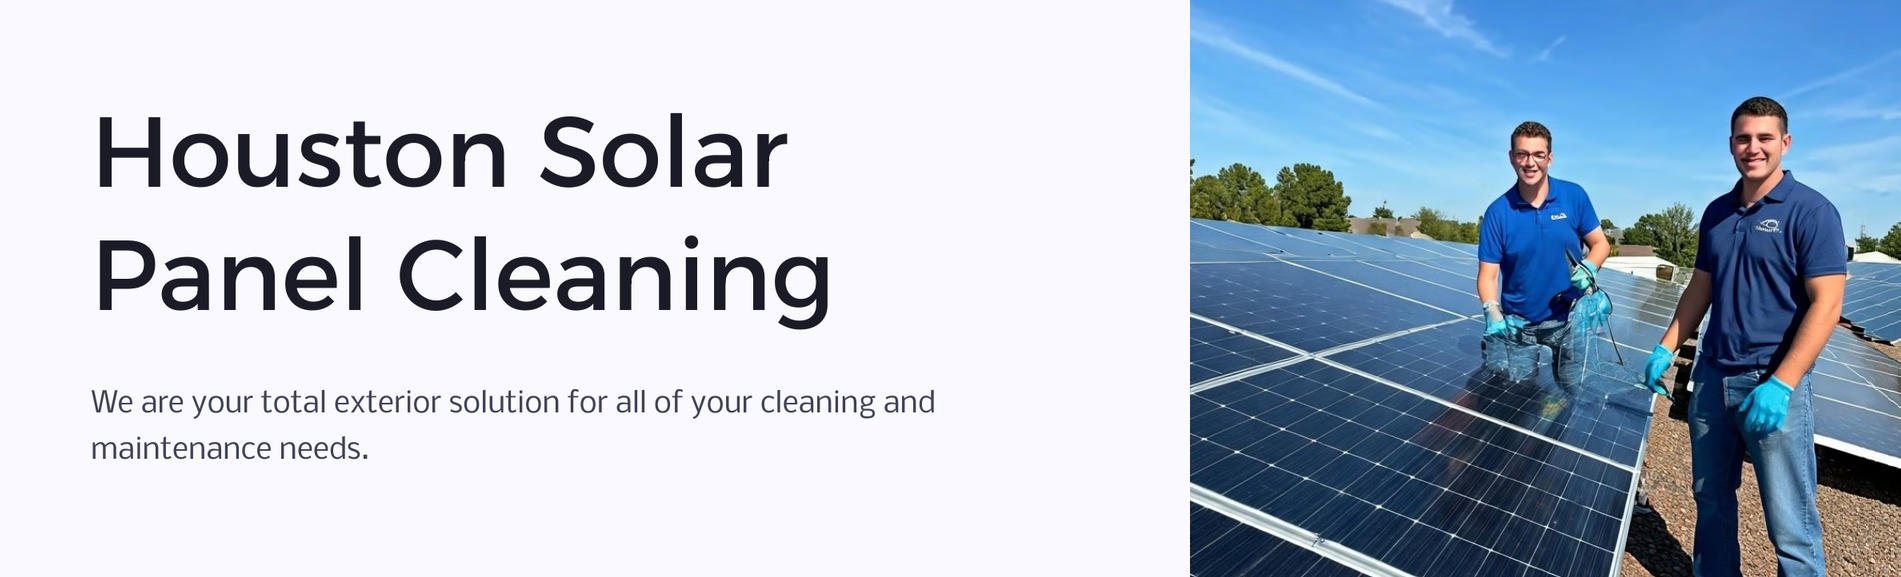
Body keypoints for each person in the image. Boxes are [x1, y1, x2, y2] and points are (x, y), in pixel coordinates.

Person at [1642, 96, 1840, 576]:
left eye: (1764, 138)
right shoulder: (1716, 213)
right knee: (1710, 498)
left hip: (1772, 384)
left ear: (1785, 143)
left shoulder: (1812, 212)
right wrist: (1668, 344)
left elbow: (1828, 303)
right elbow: (1700, 288)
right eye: (1743, 138)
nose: (1753, 147)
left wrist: (1784, 382)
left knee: (1790, 521)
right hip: (1712, 378)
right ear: (1731, 144)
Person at [1477, 121, 1613, 398]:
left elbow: (1600, 244)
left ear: (1550, 158)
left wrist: (1589, 266)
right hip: (1519, 326)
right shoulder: (1498, 213)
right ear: (1511, 157)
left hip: (1570, 319)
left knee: (1573, 392)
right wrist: (1492, 310)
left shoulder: (1573, 196)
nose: (1530, 163)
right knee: (1518, 397)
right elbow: (1488, 275)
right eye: (1522, 154)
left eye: (1538, 155)